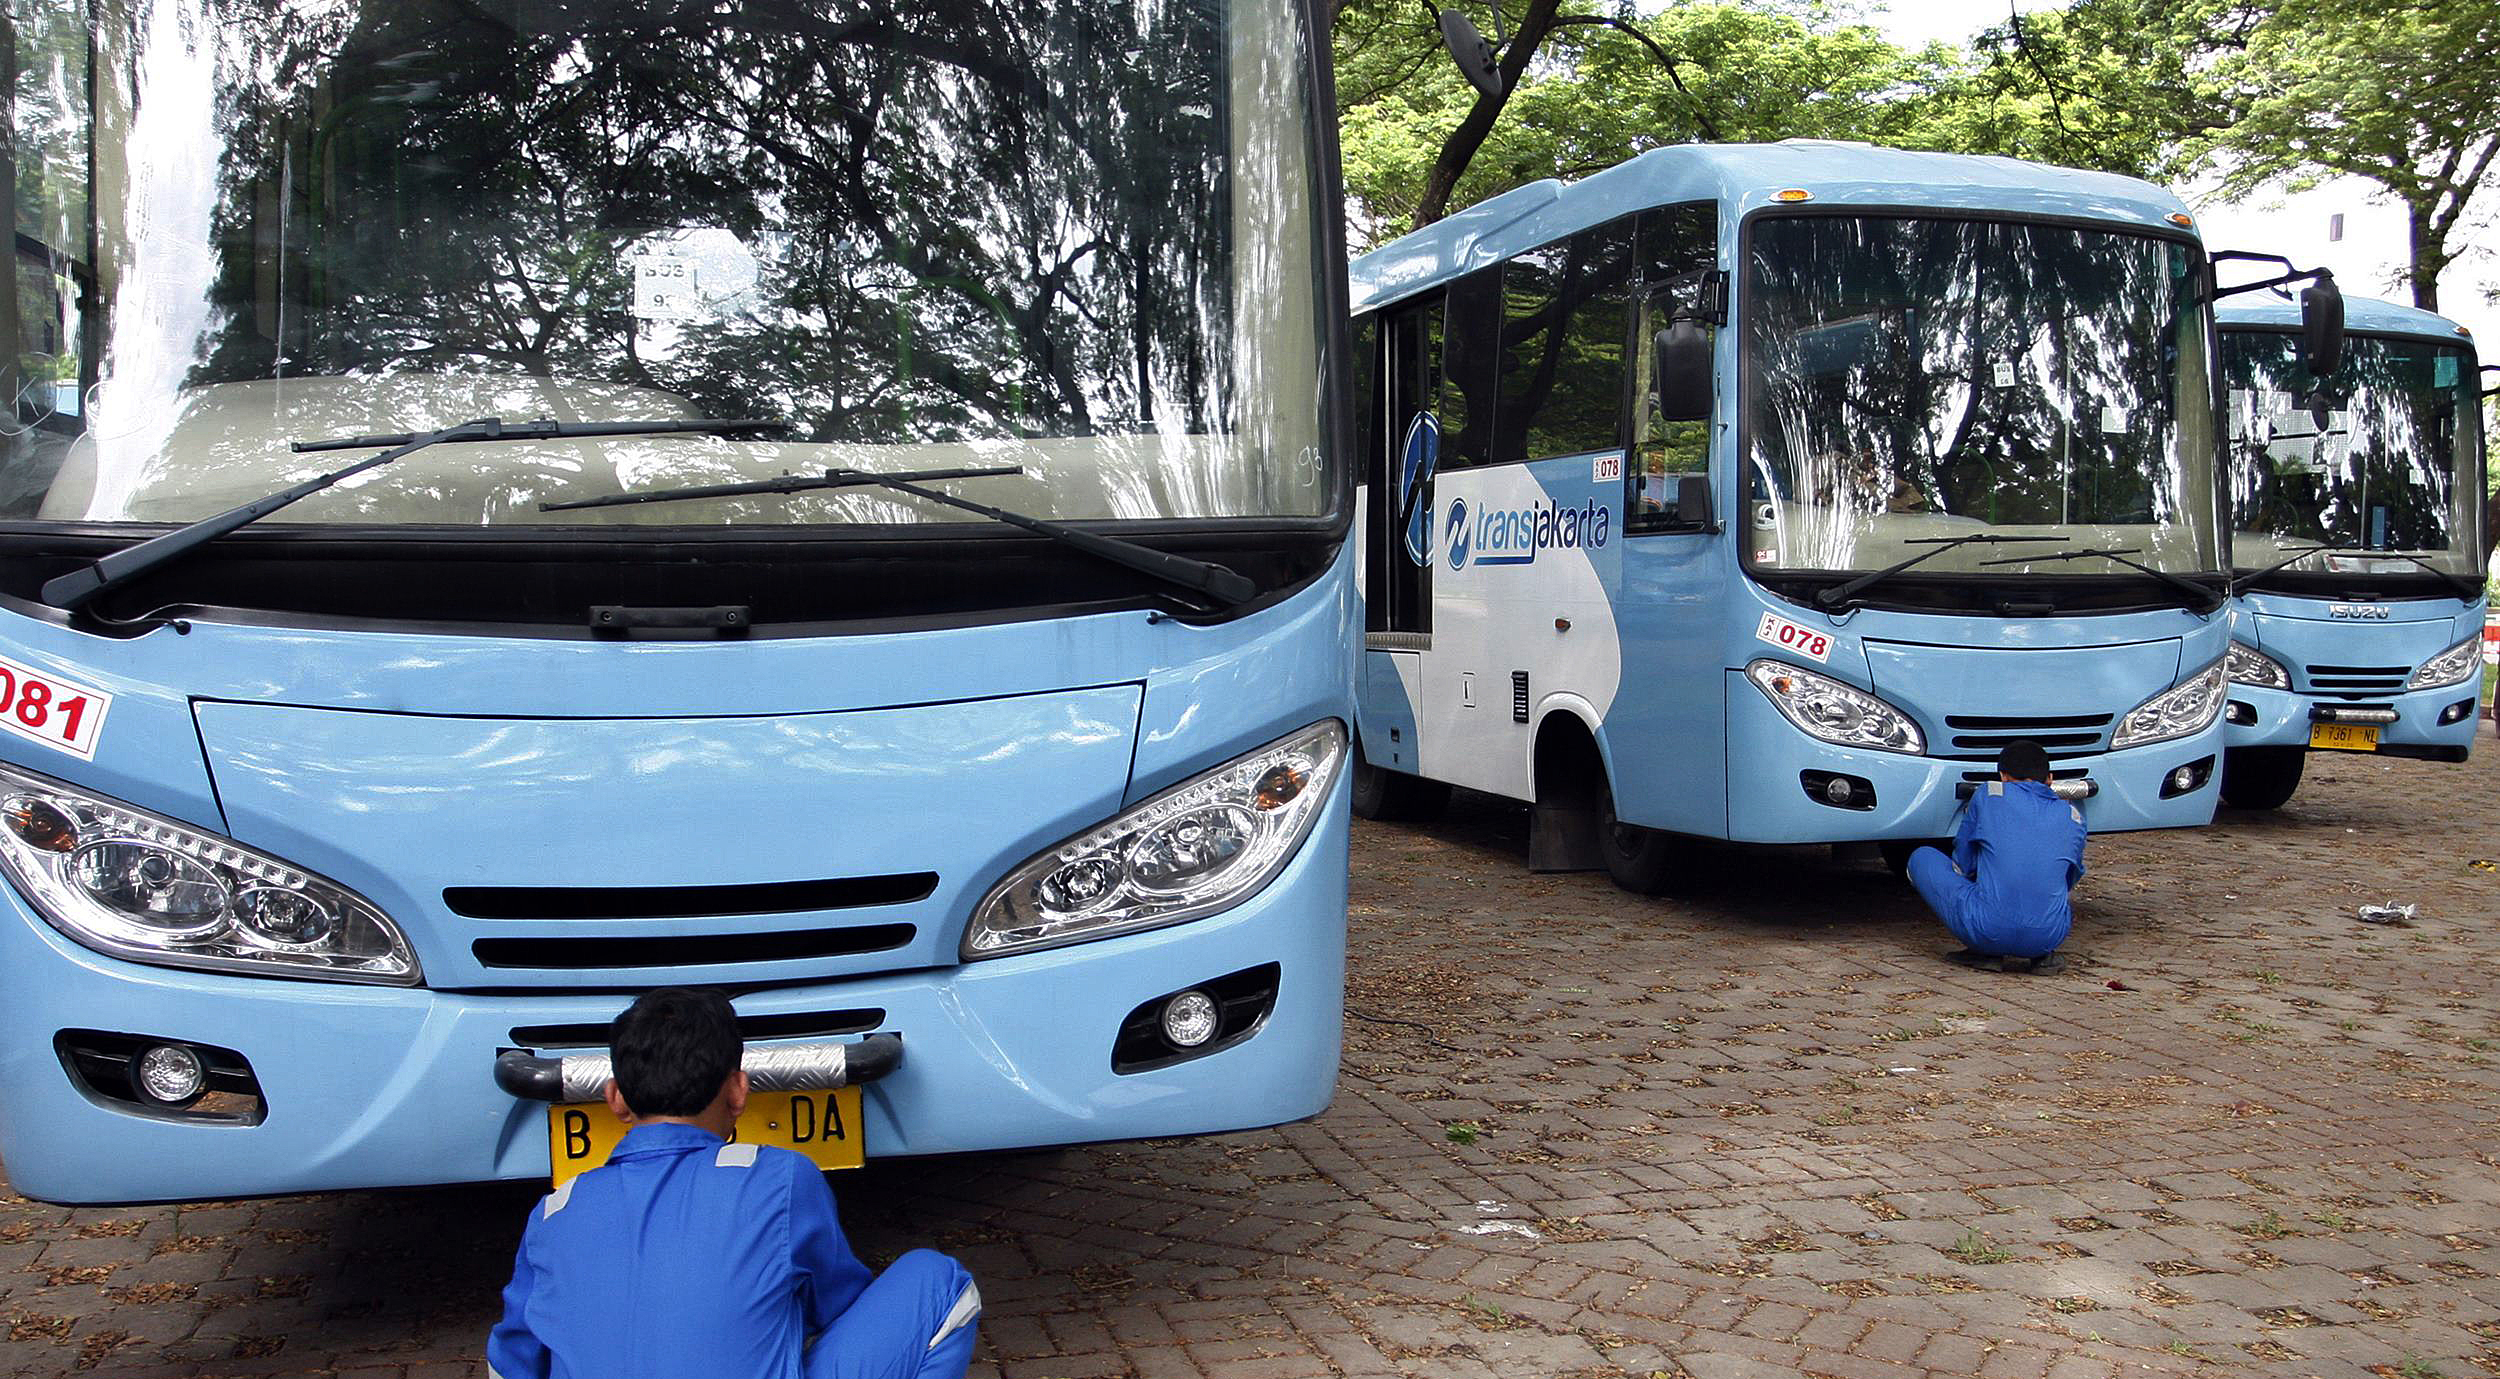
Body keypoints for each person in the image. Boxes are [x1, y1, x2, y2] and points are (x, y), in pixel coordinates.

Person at [488, 988, 980, 1379]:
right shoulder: (780, 1177)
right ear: (740, 1091)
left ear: (615, 1098)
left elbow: (512, 1361)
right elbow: (839, 1307)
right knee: (939, 1281)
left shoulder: (555, 1211)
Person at [1905, 739, 2085, 974]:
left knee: (1922, 857)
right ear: (2050, 779)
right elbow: (2069, 877)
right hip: (2049, 936)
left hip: (1987, 930)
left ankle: (1985, 952)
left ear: (2003, 775)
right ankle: (2041, 956)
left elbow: (1963, 860)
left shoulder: (1990, 793)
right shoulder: (2073, 815)